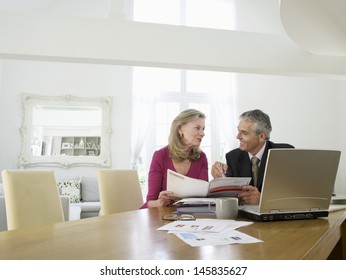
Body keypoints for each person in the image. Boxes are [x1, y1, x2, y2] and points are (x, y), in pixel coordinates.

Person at [211, 109, 294, 205]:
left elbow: (293, 193)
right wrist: (219, 176)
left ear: (262, 136)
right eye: (238, 131)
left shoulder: (284, 153)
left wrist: (262, 200)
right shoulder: (233, 157)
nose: (238, 136)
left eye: (244, 133)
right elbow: (228, 191)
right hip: (245, 217)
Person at [141, 109, 208, 208]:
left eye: (203, 129)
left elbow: (203, 197)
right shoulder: (160, 156)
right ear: (180, 129)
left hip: (190, 216)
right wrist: (160, 202)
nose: (202, 133)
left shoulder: (201, 157)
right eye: (197, 128)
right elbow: (150, 202)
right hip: (160, 215)